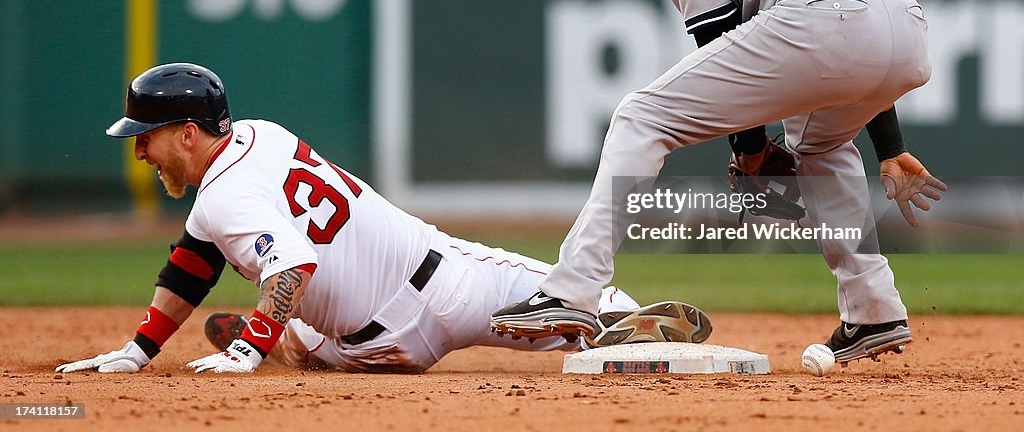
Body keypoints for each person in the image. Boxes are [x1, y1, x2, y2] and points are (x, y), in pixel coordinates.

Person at [491, 0, 947, 365]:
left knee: (642, 117)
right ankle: (874, 311)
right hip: (903, 24)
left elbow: (720, 39)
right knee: (822, 145)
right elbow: (862, 36)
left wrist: (749, 152)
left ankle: (571, 291)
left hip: (824, 19)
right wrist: (890, 147)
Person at [55, 62, 711, 375]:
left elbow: (291, 262)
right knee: (569, 305)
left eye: (148, 135)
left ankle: (286, 343)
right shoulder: (259, 134)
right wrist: (137, 350)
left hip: (373, 349)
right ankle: (622, 318)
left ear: (191, 133)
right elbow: (191, 263)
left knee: (303, 329)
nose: (139, 148)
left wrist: (244, 348)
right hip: (443, 292)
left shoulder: (222, 197)